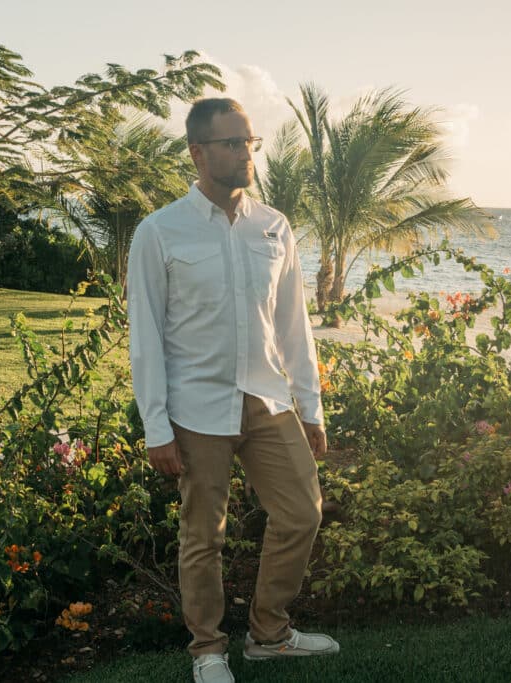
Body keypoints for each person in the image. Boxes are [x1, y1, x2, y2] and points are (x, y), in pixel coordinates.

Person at [127, 97, 339, 683]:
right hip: (196, 407)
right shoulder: (159, 231)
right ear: (198, 152)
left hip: (268, 398)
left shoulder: (274, 226)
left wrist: (310, 404)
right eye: (230, 143)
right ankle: (208, 651)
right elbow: (145, 336)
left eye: (249, 142)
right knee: (204, 534)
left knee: (302, 512)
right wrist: (157, 426)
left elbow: (293, 324)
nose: (244, 153)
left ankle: (270, 633)